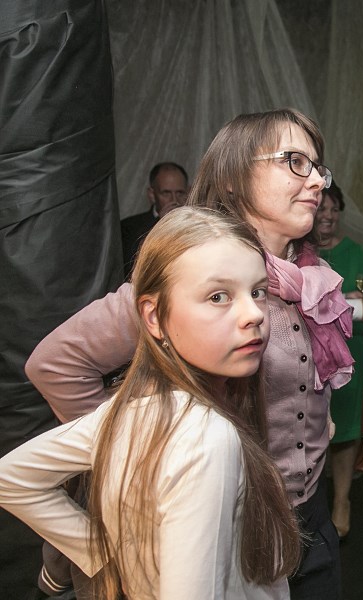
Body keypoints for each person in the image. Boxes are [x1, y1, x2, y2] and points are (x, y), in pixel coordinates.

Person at [25, 108, 354, 600]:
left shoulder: (312, 279)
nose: (317, 182)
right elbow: (56, 364)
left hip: (311, 516)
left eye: (318, 167)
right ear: (234, 177)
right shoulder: (193, 275)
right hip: (228, 522)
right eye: (294, 162)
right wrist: (134, 447)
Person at [0, 207, 300, 599]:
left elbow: (13, 477)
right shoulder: (206, 439)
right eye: (218, 296)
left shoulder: (131, 409)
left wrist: (106, 556)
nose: (253, 314)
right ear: (154, 317)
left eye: (257, 291)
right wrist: (102, 555)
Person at [314, 183, 363, 538]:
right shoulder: (297, 252)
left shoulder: (354, 252)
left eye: (334, 210)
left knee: (345, 431)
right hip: (311, 356)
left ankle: (341, 501)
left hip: (349, 353)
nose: (328, 216)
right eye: (322, 209)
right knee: (312, 431)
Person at [121, 162, 189, 277]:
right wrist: (158, 224)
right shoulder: (129, 227)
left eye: (180, 193)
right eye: (166, 193)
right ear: (152, 195)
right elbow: (130, 267)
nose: (174, 200)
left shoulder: (198, 225)